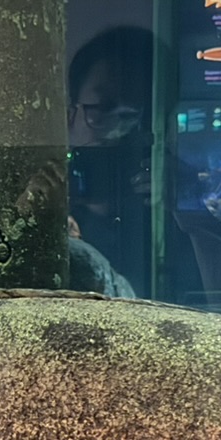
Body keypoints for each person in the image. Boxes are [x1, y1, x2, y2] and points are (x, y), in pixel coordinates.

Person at [65, 25, 153, 295]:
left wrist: (190, 221)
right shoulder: (48, 207)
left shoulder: (167, 213)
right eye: (103, 108)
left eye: (133, 114)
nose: (118, 131)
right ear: (71, 115)